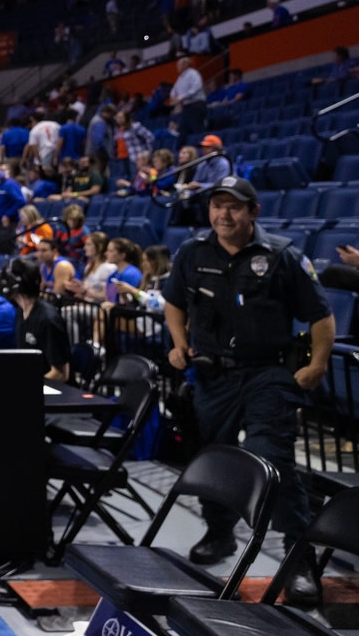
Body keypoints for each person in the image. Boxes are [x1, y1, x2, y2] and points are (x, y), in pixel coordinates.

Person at [164, 176, 335, 607]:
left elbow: (320, 315)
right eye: (217, 206)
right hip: (213, 375)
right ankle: (219, 533)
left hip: (269, 373)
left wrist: (317, 363)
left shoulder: (281, 256)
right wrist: (178, 342)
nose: (223, 214)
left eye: (234, 207)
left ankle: (299, 560)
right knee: (215, 457)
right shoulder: (192, 253)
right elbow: (174, 303)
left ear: (253, 212)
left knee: (272, 459)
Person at [6, 258, 71, 381]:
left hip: (50, 391)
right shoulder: (21, 310)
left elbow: (60, 374)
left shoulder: (48, 319)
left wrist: (28, 385)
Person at [167, 57, 206, 147]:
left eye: (179, 64)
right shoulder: (180, 78)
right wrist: (173, 97)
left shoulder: (193, 74)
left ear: (185, 64)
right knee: (182, 131)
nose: (177, 67)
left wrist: (182, 97)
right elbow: (174, 90)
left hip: (196, 105)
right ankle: (179, 150)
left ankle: (203, 147)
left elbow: (197, 87)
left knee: (197, 129)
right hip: (186, 107)